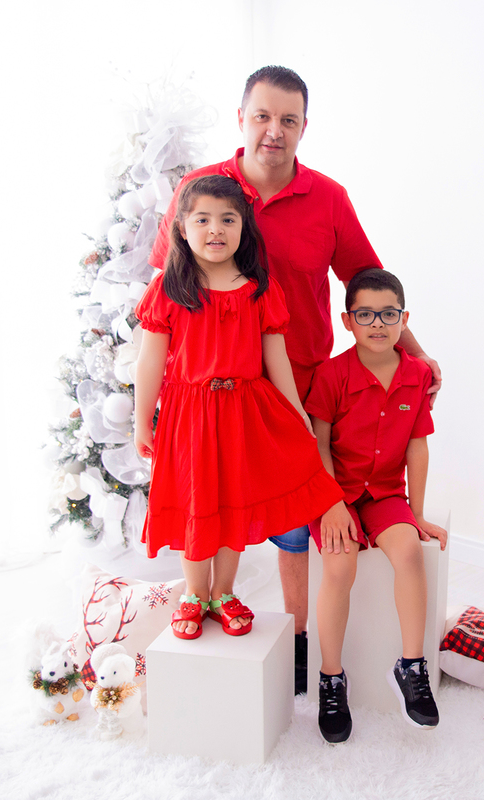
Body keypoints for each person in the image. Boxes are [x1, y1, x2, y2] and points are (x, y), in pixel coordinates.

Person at [149, 66, 441, 690]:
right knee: (215, 504)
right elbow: (165, 289)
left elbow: (367, 278)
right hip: (214, 395)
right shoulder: (205, 191)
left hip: (299, 383)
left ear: (304, 127)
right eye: (262, 116)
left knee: (296, 519)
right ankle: (208, 599)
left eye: (288, 120)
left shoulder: (328, 197)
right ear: (241, 119)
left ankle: (302, 641)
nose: (273, 132)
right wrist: (158, 402)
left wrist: (414, 356)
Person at [133, 174, 343, 640]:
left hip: (243, 414)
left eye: (228, 219)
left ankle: (223, 592)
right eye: (202, 219)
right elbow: (150, 361)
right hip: (189, 417)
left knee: (233, 506)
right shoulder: (170, 288)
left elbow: (277, 361)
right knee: (197, 505)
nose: (216, 229)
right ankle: (194, 593)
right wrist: (141, 419)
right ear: (182, 229)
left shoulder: (259, 289)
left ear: (244, 228)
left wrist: (297, 415)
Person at [305, 268, 448, 743]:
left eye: (389, 314)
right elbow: (319, 445)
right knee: (340, 567)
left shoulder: (417, 374)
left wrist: (418, 511)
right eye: (365, 314)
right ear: (348, 321)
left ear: (403, 319)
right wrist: (330, 504)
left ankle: (411, 667)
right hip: (335, 494)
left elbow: (417, 448)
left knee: (408, 551)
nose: (378, 324)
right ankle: (331, 678)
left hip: (386, 493)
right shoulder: (332, 374)